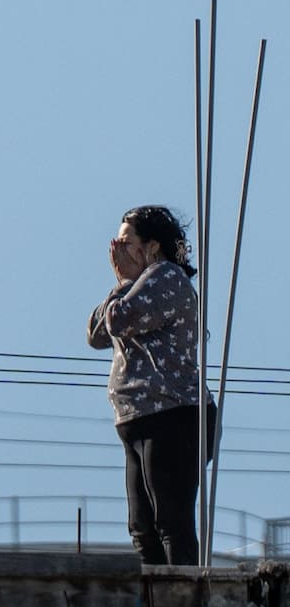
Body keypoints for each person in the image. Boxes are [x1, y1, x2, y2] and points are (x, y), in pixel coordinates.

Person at [87, 206, 216, 565]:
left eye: (126, 241)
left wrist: (126, 283)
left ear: (152, 246)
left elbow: (119, 320)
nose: (117, 249)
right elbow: (95, 333)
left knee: (170, 520)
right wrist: (123, 285)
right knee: (142, 527)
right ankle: (157, 601)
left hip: (171, 414)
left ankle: (184, 598)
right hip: (138, 418)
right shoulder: (137, 287)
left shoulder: (165, 277)